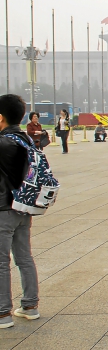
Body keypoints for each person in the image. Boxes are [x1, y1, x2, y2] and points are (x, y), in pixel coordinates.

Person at [0, 94, 40, 328]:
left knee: (1, 262)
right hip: (23, 207)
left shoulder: (3, 142)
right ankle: (30, 305)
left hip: (3, 207)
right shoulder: (25, 139)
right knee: (24, 257)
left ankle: (3, 312)